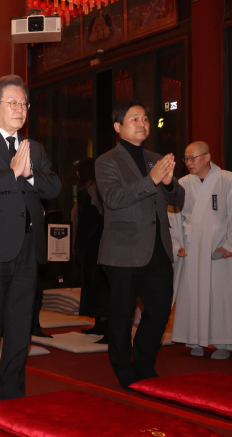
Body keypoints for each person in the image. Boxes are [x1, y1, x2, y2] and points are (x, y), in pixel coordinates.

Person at [0, 74, 61, 403]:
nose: (19, 109)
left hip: (29, 249)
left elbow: (55, 188)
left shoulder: (35, 149)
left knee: (20, 326)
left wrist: (30, 173)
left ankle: (14, 392)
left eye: (24, 104)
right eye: (12, 103)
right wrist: (12, 173)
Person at [95, 101, 184, 390]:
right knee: (120, 317)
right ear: (118, 127)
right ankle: (124, 369)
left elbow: (177, 198)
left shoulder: (155, 158)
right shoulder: (106, 161)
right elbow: (114, 198)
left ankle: (144, 363)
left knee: (159, 312)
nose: (142, 123)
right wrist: (152, 179)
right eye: (134, 119)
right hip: (122, 251)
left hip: (158, 249)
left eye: (145, 118)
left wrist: (169, 183)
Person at [169, 141, 232, 360]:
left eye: (193, 158)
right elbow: (173, 217)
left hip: (218, 247)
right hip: (193, 248)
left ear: (207, 157)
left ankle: (223, 342)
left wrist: (229, 246)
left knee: (220, 296)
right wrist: (177, 245)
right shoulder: (182, 183)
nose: (189, 163)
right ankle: (194, 339)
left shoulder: (227, 179)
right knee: (192, 295)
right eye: (186, 158)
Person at [74, 157, 110, 342]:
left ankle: (104, 326)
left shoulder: (87, 189)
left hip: (93, 246)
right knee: (98, 286)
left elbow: (88, 221)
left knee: (97, 287)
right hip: (101, 244)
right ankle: (100, 324)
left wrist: (80, 244)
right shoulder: (98, 186)